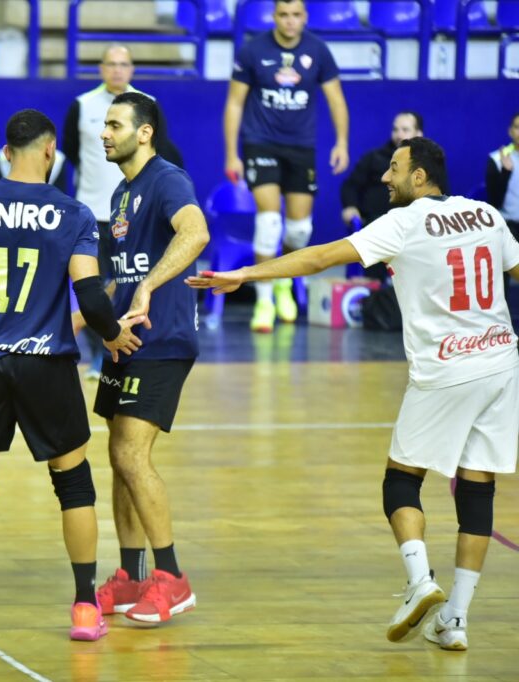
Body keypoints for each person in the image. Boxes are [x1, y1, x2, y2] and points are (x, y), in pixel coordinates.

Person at [187, 137, 519, 651]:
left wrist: (247, 273)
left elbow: (320, 257)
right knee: (478, 490)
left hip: (446, 369)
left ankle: (419, 582)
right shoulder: (487, 215)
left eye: (394, 168)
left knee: (401, 481)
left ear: (420, 177)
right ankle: (454, 619)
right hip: (500, 364)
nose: (385, 177)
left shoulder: (404, 223)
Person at [0, 108, 144, 646]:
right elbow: (89, 296)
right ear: (50, 151)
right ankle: (85, 607)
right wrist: (111, 335)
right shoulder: (72, 213)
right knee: (73, 483)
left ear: (6, 152)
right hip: (47, 364)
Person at [93, 92, 209, 625]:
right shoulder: (122, 192)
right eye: (104, 124)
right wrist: (90, 321)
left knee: (132, 454)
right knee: (119, 456)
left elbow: (196, 233)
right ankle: (131, 575)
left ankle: (172, 578)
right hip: (126, 341)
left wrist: (148, 287)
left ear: (144, 132)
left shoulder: (167, 180)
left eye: (115, 125)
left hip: (162, 341)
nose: (104, 133)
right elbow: (121, 275)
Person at [223, 0, 349, 332]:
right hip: (260, 142)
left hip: (301, 147)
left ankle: (282, 281)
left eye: (296, 15)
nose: (290, 21)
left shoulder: (318, 51)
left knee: (299, 230)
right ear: (274, 16)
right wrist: (232, 153)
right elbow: (234, 103)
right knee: (268, 222)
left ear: (305, 17)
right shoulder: (253, 50)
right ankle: (264, 300)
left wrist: (341, 142)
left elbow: (336, 99)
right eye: (283, 15)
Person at [63, 44, 184, 378]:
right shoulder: (82, 105)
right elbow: (71, 151)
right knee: (93, 286)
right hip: (91, 211)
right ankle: (100, 353)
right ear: (101, 68)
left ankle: (132, 346)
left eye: (123, 64)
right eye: (111, 64)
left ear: (131, 69)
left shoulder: (147, 105)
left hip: (133, 214)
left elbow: (161, 151)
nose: (117, 69)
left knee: (127, 281)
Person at [341, 112, 424, 280]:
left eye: (405, 130)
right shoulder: (374, 158)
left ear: (419, 134)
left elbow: (440, 193)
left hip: (414, 232)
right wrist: (350, 206)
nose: (399, 134)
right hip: (375, 228)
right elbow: (350, 186)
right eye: (395, 129)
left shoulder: (428, 163)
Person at [485, 111, 519, 243]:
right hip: (508, 227)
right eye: (517, 127)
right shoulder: (497, 159)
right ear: (510, 131)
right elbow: (494, 202)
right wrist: (506, 172)